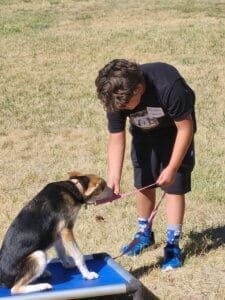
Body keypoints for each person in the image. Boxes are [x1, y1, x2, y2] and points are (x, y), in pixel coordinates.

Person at [95, 59, 196, 271]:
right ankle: (144, 234)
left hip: (174, 133)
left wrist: (172, 168)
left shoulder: (168, 85)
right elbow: (116, 137)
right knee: (144, 181)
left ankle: (172, 244)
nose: (120, 109)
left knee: (174, 186)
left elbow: (185, 129)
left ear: (139, 89)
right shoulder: (116, 95)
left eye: (124, 106)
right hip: (143, 133)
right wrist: (113, 178)